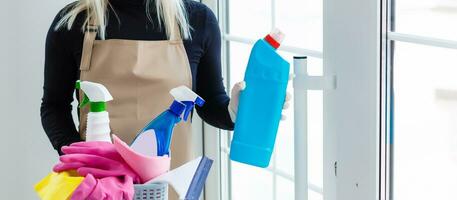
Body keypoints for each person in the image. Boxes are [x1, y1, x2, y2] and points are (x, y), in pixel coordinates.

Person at [40, 0, 289, 198]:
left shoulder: (196, 20)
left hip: (171, 185)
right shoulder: (74, 22)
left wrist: (236, 112)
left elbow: (211, 103)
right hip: (98, 188)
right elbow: (54, 106)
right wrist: (80, 163)